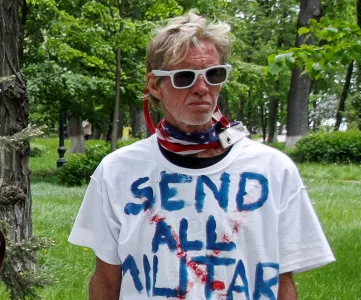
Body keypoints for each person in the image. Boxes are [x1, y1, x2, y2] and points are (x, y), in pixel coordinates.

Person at [69, 12, 335, 300]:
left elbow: (283, 283)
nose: (201, 88)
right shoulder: (117, 172)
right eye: (184, 77)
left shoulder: (273, 169)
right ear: (155, 85)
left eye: (213, 74)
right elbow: (107, 281)